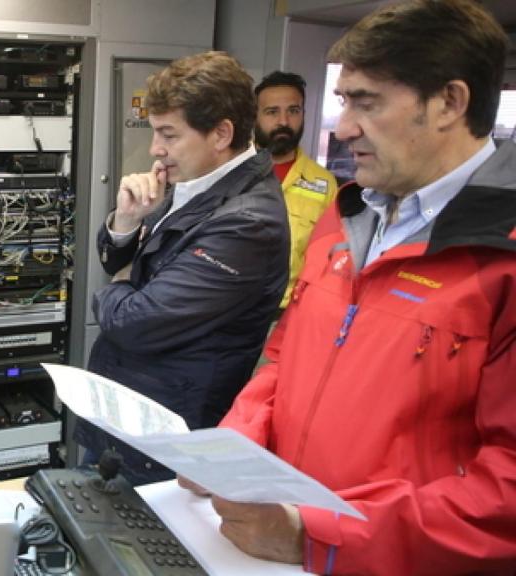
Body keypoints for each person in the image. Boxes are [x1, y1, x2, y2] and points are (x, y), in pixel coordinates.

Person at [182, 1, 516, 573]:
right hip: (281, 541)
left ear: (450, 103)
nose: (344, 127)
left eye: (367, 102)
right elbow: (286, 358)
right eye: (343, 101)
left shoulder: (500, 256)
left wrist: (318, 537)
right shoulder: (348, 213)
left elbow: (505, 492)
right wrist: (232, 445)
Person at [77, 51, 290, 485]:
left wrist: (120, 282)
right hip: (126, 416)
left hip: (166, 440)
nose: (156, 150)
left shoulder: (248, 222)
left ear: (221, 134)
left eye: (168, 135)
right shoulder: (194, 181)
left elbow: (137, 321)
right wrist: (126, 223)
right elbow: (119, 263)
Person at [254, 70, 338, 309]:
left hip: (287, 316)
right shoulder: (231, 172)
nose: (283, 121)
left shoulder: (324, 184)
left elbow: (328, 261)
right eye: (272, 112)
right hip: (228, 314)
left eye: (293, 111)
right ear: (254, 116)